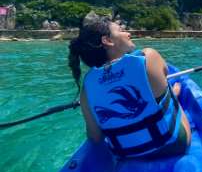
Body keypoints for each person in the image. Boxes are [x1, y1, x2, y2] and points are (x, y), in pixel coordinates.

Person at [68, 17, 191, 158]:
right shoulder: (148, 56)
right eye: (121, 30)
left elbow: (95, 138)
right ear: (107, 41)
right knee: (169, 91)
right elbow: (166, 73)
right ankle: (174, 94)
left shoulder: (87, 86)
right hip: (172, 145)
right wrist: (172, 93)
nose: (128, 33)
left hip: (126, 155)